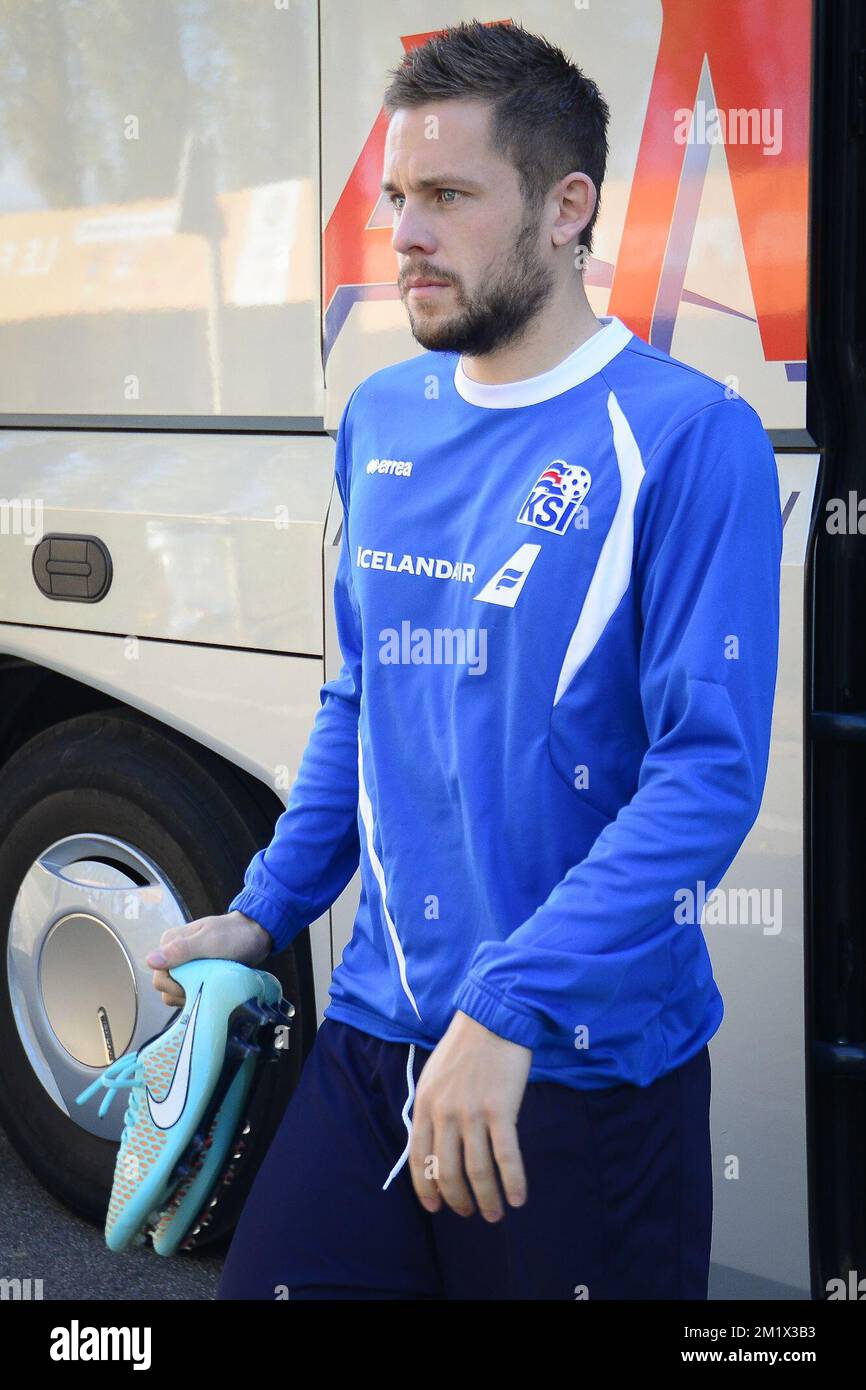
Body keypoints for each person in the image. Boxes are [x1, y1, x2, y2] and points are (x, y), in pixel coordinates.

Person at [147, 19, 782, 1300]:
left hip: (575, 1068)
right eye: (395, 196)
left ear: (565, 208)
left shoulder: (689, 437)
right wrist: (264, 914)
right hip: (379, 1037)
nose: (406, 233)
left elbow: (703, 778)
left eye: (446, 195)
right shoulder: (381, 413)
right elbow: (362, 699)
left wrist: (513, 1005)